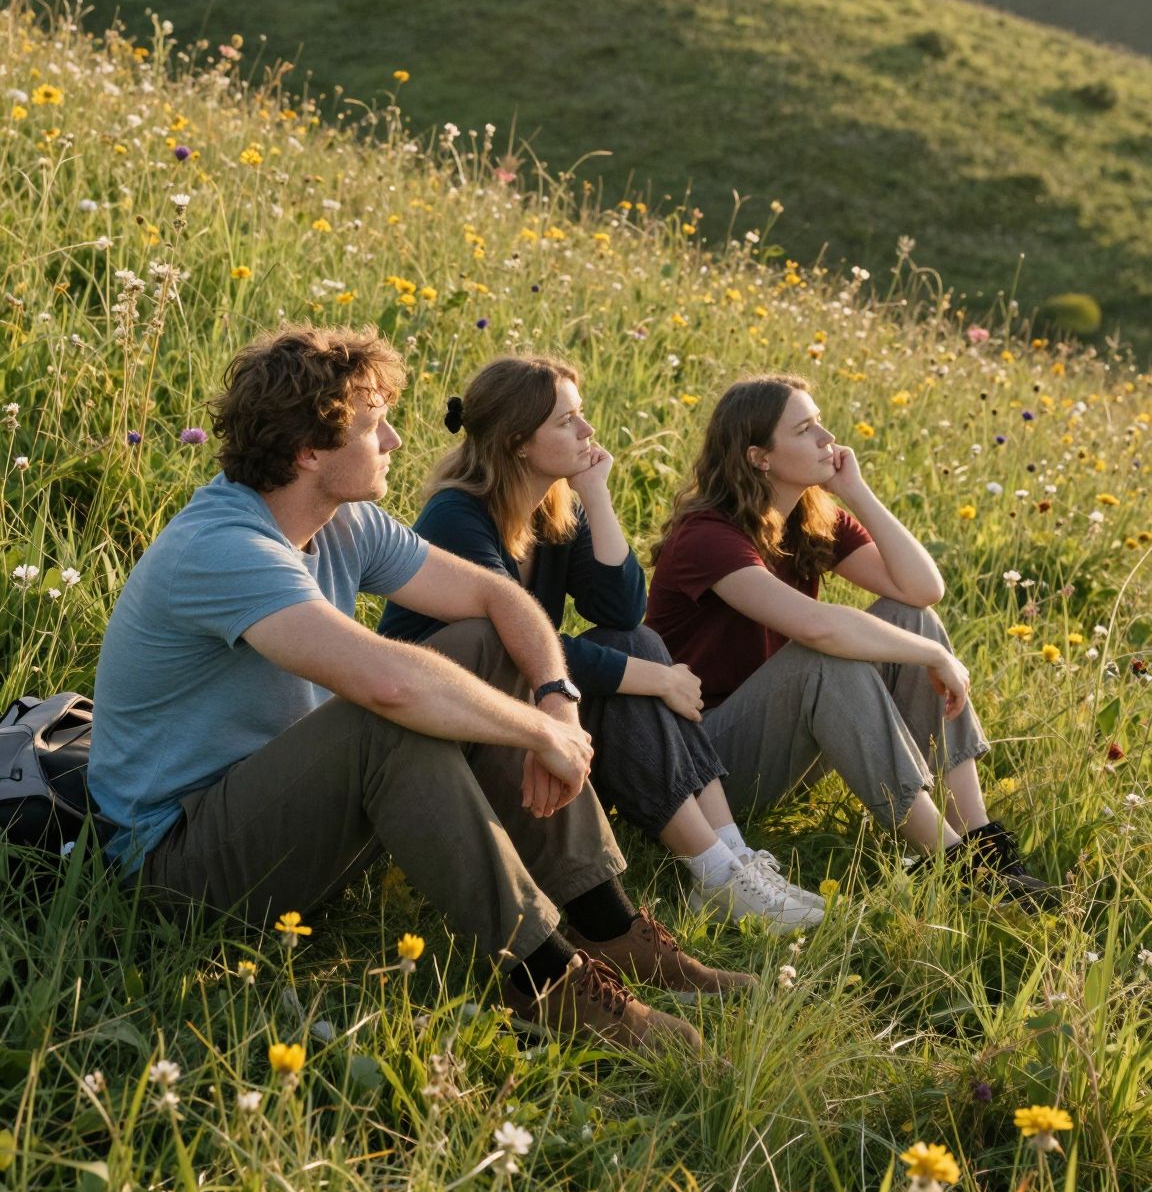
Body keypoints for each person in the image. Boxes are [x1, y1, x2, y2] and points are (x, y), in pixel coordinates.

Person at [87, 324, 747, 1059]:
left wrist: (556, 692)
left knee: (484, 644)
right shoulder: (223, 549)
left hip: (279, 815)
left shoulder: (346, 523)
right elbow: (391, 686)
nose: (397, 441)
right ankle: (547, 981)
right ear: (309, 451)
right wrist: (536, 735)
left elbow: (499, 602)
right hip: (180, 867)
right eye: (374, 428)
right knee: (387, 718)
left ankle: (609, 925)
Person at [380, 353, 822, 932]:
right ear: (518, 442)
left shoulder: (552, 510)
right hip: (455, 720)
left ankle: (735, 860)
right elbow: (518, 641)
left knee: (633, 639)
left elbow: (620, 609)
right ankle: (715, 873)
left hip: (521, 697)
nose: (587, 432)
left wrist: (595, 494)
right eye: (568, 422)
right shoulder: (457, 517)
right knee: (635, 665)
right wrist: (658, 679)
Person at [646, 373, 1056, 907]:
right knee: (828, 658)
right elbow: (819, 629)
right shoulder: (706, 536)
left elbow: (921, 590)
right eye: (805, 429)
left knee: (911, 620)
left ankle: (982, 846)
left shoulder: (809, 519)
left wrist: (854, 491)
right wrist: (933, 657)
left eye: (819, 422)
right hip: (709, 767)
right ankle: (952, 864)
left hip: (786, 740)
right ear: (758, 456)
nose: (827, 438)